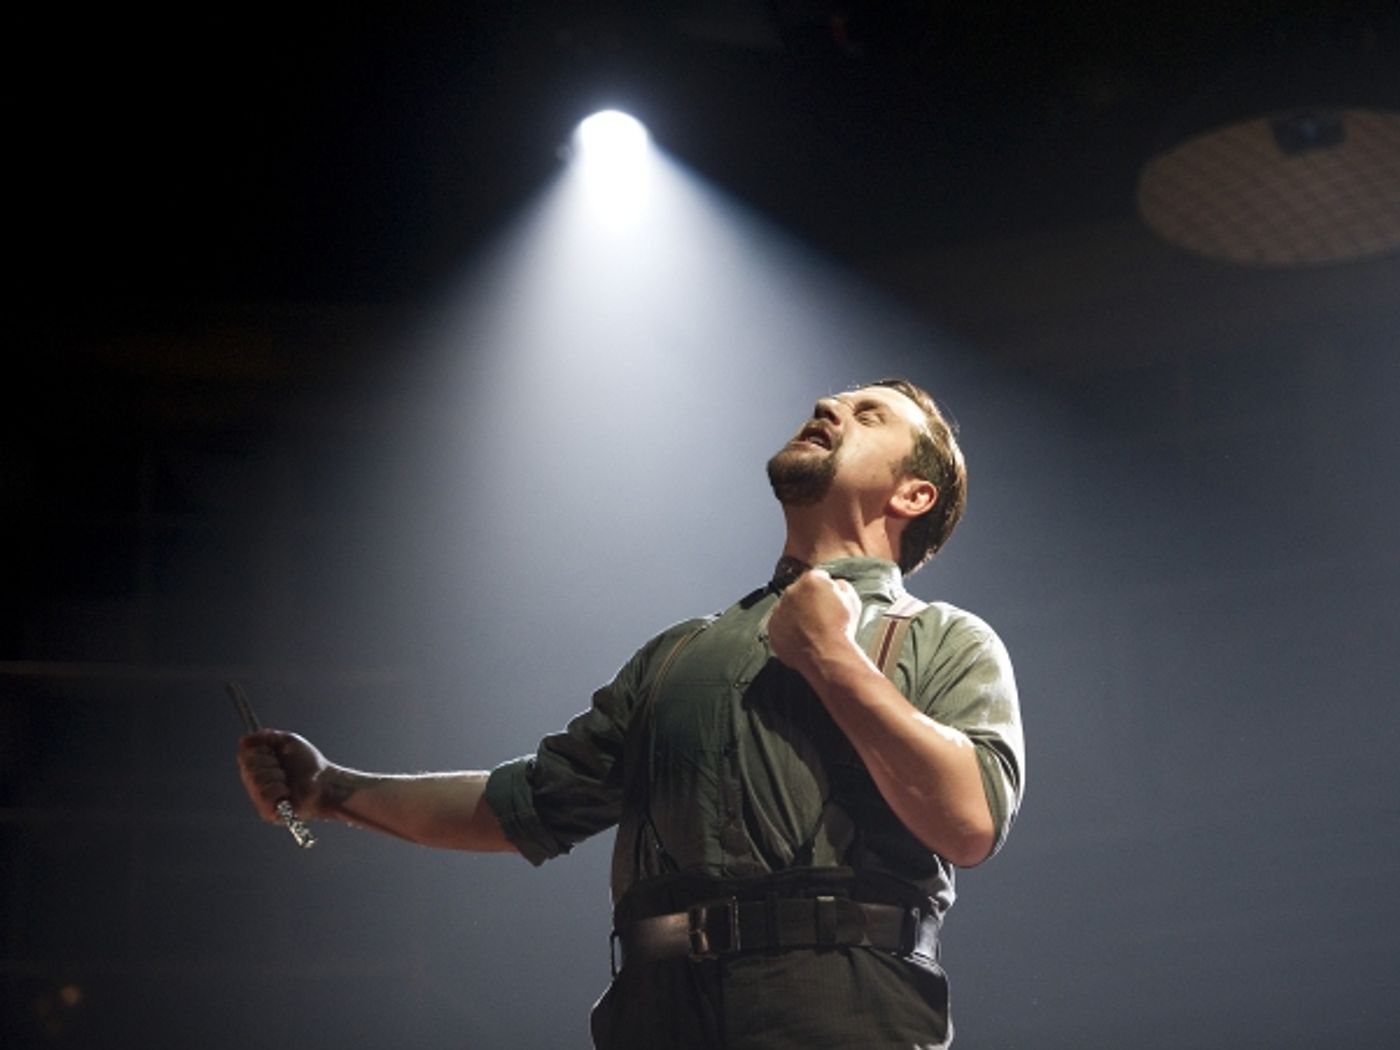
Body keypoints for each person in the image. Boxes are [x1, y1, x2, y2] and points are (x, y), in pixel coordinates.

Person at [237, 377, 1024, 1049]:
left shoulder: (943, 639)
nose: (827, 405)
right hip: (656, 1014)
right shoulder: (678, 654)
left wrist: (833, 659)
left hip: (844, 1011)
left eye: (869, 414)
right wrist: (329, 790)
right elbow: (526, 804)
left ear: (912, 494)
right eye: (834, 401)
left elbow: (969, 822)